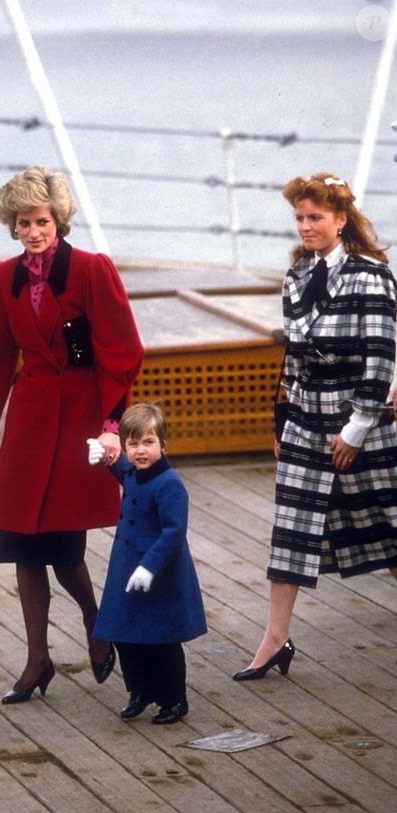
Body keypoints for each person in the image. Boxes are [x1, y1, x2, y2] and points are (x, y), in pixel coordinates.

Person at [0, 165, 143, 703]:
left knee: (64, 543)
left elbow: (124, 350)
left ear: (59, 220)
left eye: (42, 220)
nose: (34, 231)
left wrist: (113, 426)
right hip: (30, 415)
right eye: (23, 223)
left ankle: (95, 624)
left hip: (82, 418)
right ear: (13, 226)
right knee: (21, 544)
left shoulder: (92, 269)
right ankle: (37, 659)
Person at [233, 172, 397, 682]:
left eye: (315, 217)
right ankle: (273, 641)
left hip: (360, 420)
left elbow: (381, 354)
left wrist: (357, 427)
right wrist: (286, 422)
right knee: (291, 530)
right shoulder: (297, 275)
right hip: (307, 417)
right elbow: (296, 360)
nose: (306, 226)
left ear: (340, 220)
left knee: (389, 525)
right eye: (300, 218)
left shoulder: (371, 275)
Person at [88, 403, 206, 724]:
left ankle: (173, 700)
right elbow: (120, 469)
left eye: (148, 443)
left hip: (159, 572)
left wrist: (149, 566)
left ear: (163, 445)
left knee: (162, 640)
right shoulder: (131, 470)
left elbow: (174, 532)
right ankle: (139, 691)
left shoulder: (169, 485)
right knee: (125, 635)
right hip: (127, 566)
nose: (140, 451)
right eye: (133, 444)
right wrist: (104, 458)